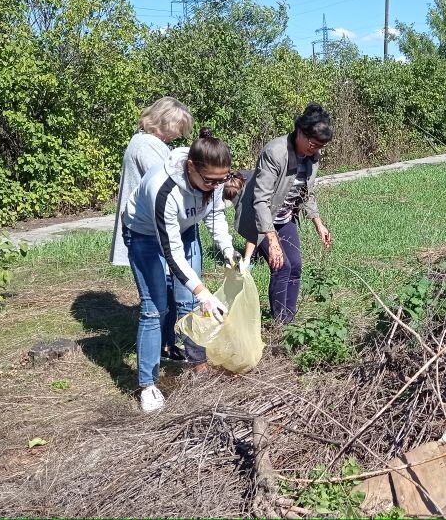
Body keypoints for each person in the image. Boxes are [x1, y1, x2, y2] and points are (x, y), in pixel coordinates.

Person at [123, 128, 241, 412]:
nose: (215, 186)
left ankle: (196, 363)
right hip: (144, 236)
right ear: (191, 167)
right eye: (210, 180)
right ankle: (148, 385)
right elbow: (171, 254)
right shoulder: (164, 190)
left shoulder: (211, 182)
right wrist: (204, 293)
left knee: (188, 302)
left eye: (220, 180)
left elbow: (214, 215)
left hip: (185, 230)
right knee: (155, 308)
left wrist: (227, 249)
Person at [109, 97, 194, 362]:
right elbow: (168, 180)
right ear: (163, 122)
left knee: (165, 289)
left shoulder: (144, 141)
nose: (177, 135)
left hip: (151, 224)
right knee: (158, 298)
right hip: (147, 227)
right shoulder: (147, 145)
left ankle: (167, 344)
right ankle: (163, 347)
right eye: (176, 128)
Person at [234, 103, 333, 324]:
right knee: (282, 265)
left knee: (295, 266)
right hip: (261, 220)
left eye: (321, 147)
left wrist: (319, 224)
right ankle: (280, 324)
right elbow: (260, 200)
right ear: (300, 131)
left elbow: (308, 192)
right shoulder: (275, 152)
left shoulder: (313, 157)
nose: (316, 150)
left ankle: (289, 319)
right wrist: (272, 241)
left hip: (285, 218)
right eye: (313, 143)